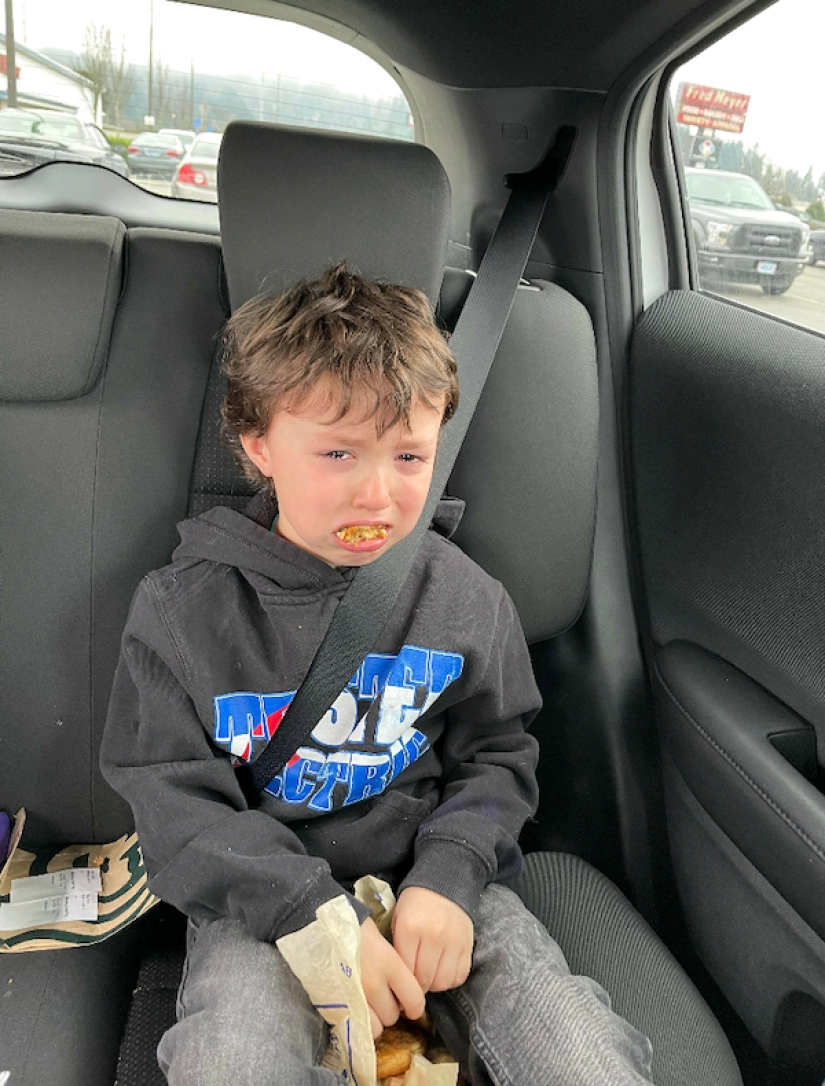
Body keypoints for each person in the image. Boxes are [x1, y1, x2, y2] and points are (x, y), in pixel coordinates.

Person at [101, 263, 654, 1086]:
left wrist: (452, 871)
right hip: (263, 899)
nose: (377, 493)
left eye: (408, 456)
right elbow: (171, 797)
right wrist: (309, 911)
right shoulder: (185, 612)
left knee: (573, 1050)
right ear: (257, 446)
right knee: (232, 1061)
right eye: (337, 452)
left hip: (435, 875)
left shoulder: (463, 598)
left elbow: (497, 753)